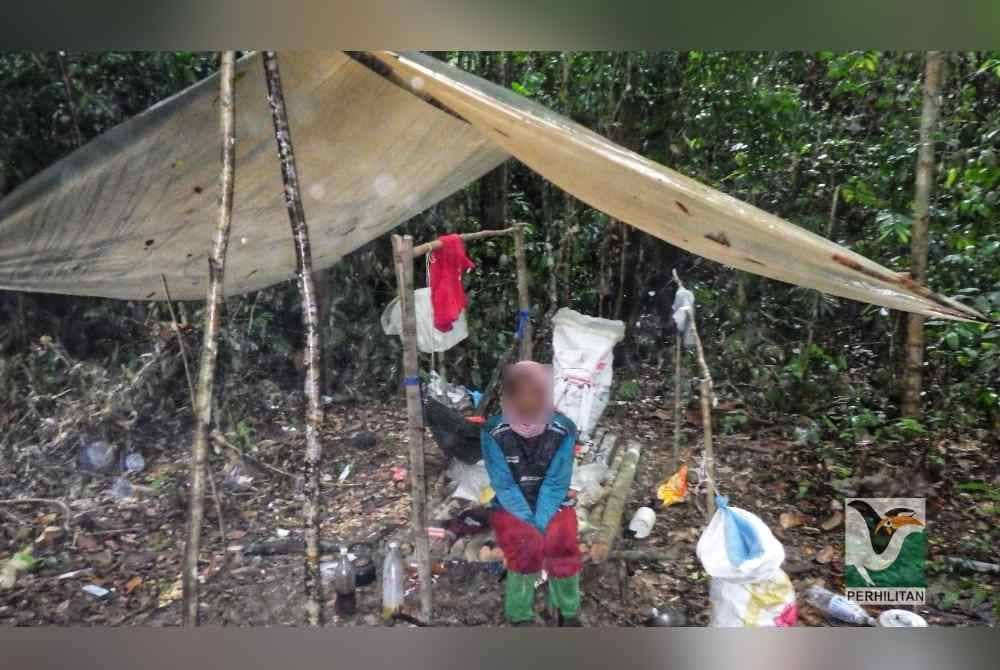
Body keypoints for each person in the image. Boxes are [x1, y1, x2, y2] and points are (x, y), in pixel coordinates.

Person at [482, 361, 582, 626]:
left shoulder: (564, 429)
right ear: (508, 397)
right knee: (523, 543)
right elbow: (503, 484)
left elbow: (556, 482)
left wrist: (541, 519)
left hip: (553, 501)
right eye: (519, 393)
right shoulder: (493, 431)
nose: (527, 401)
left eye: (535, 393)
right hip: (511, 503)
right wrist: (529, 521)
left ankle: (567, 610)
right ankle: (519, 614)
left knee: (563, 540)